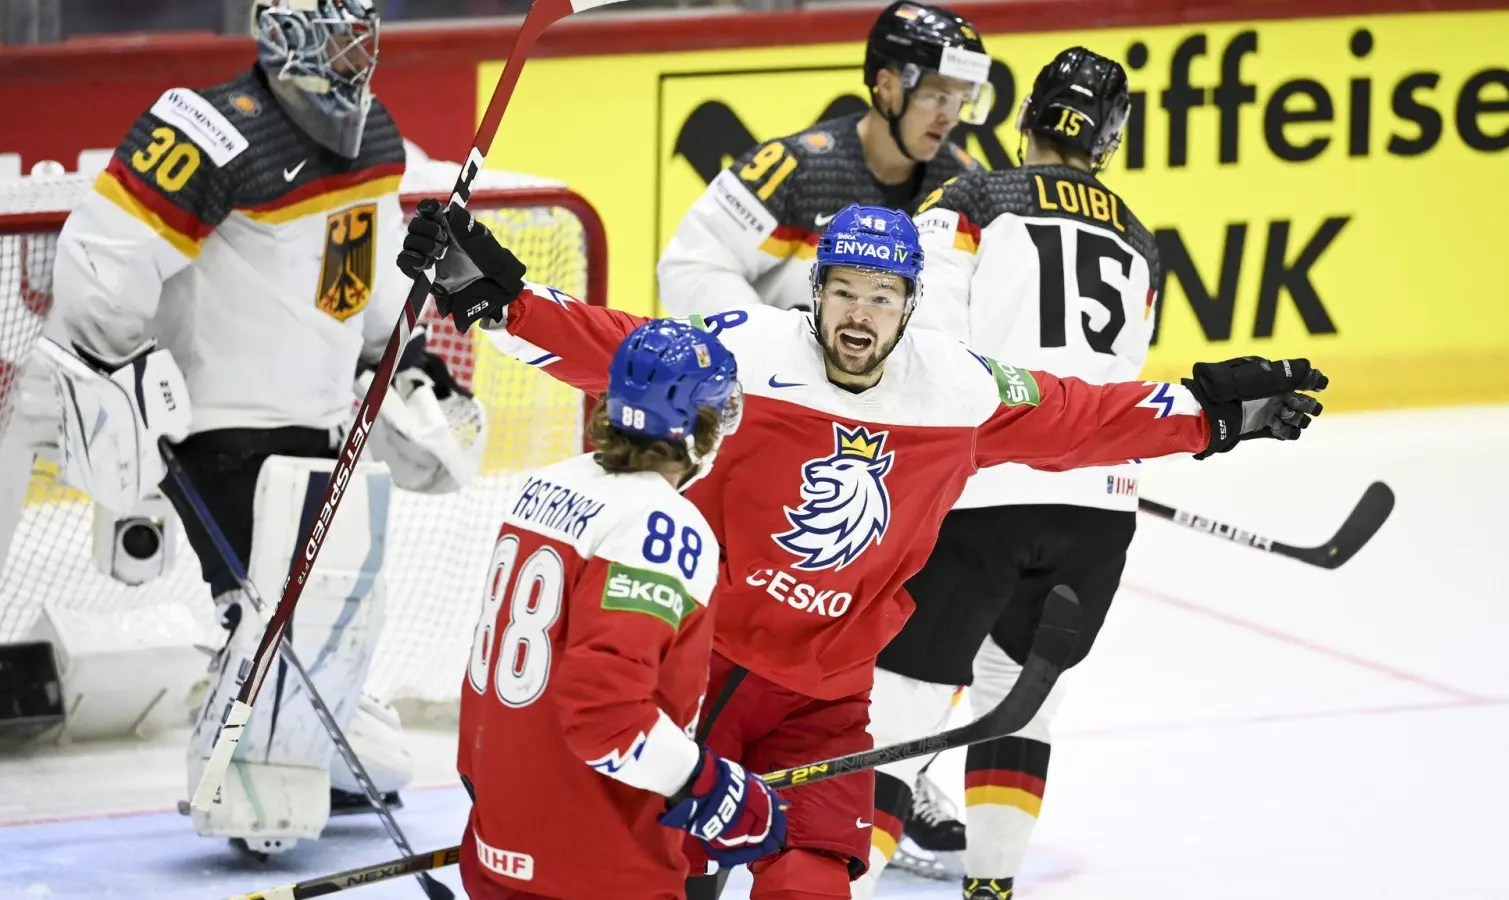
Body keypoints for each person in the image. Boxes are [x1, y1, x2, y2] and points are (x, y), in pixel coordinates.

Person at [398, 198, 1326, 900]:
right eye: (843, 290)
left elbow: (1081, 420)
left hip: (833, 687)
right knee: (669, 875)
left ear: (911, 304)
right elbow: (620, 346)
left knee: (814, 876)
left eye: (882, 297)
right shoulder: (750, 350)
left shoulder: (956, 387)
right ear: (817, 290)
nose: (859, 314)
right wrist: (503, 300)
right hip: (708, 666)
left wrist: (1209, 415)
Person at [38, 0, 481, 857]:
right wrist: (121, 370)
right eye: (340, 35)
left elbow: (366, 257)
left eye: (365, 34)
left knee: (333, 618)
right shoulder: (203, 128)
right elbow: (103, 258)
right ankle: (243, 770)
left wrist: (402, 351)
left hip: (316, 422)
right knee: (269, 611)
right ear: (284, 34)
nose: (358, 53)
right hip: (218, 427)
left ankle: (296, 730)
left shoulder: (375, 135)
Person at [856, 47, 1160, 899]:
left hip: (982, 494)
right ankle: (991, 890)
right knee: (1021, 708)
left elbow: (926, 347)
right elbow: (1114, 390)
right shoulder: (1140, 243)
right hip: (1100, 509)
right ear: (1109, 140)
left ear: (1025, 121)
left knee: (904, 709)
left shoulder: (974, 197)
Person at [455, 317, 787, 900]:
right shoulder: (660, 525)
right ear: (701, 426)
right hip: (596, 860)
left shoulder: (546, 485)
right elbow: (605, 719)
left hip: (498, 839)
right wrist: (708, 787)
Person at [657, 0, 991, 319]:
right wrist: (772, 345)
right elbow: (689, 267)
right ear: (887, 86)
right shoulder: (793, 169)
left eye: (960, 100)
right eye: (937, 97)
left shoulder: (962, 184)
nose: (950, 117)